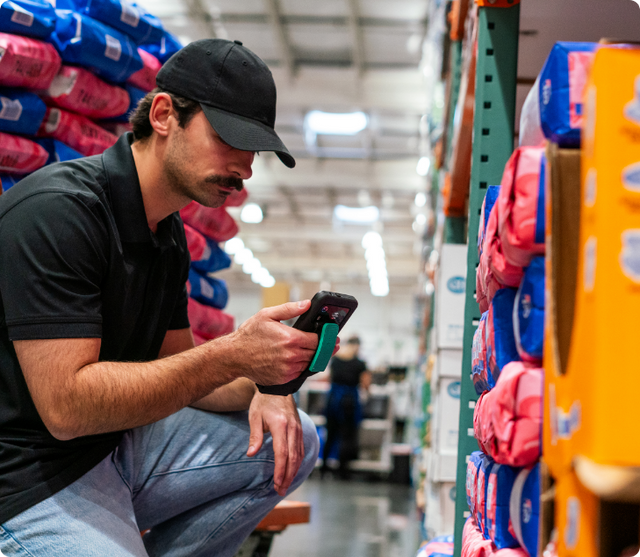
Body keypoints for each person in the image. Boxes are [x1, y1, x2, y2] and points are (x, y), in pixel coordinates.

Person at [0, 39, 333, 557]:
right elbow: (66, 407)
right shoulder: (59, 212)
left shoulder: (166, 233)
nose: (244, 168)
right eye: (229, 139)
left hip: (111, 447)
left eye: (254, 150)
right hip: (27, 476)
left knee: (294, 438)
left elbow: (178, 369)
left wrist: (267, 381)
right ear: (163, 115)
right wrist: (230, 353)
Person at [320, 335, 371, 479]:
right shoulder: (360, 363)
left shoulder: (336, 360)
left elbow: (329, 378)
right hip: (349, 401)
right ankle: (342, 470)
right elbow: (366, 384)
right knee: (347, 435)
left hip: (333, 399)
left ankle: (324, 468)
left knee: (330, 433)